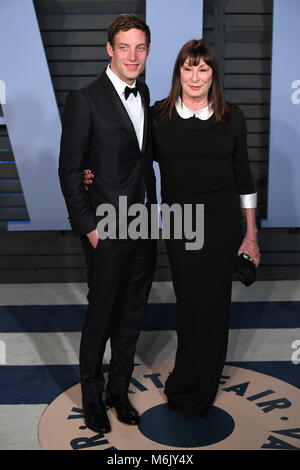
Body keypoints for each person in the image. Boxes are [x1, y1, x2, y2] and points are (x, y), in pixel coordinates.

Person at [83, 39, 260, 419]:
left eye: (203, 69)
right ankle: (185, 377)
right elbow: (129, 156)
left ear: (213, 75)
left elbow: (245, 180)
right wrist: (89, 171)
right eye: (188, 68)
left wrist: (251, 236)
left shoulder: (232, 117)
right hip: (182, 226)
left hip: (222, 227)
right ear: (178, 72)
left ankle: (198, 389)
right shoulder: (159, 115)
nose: (195, 77)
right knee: (189, 307)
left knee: (213, 310)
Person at [59, 14, 157, 434]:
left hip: (145, 224)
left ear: (147, 51)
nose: (132, 56)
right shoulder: (84, 98)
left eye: (140, 47)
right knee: (100, 316)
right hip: (106, 228)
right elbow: (70, 170)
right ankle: (91, 396)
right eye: (124, 47)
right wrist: (89, 227)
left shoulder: (146, 91)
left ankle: (119, 391)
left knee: (131, 316)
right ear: (109, 49)